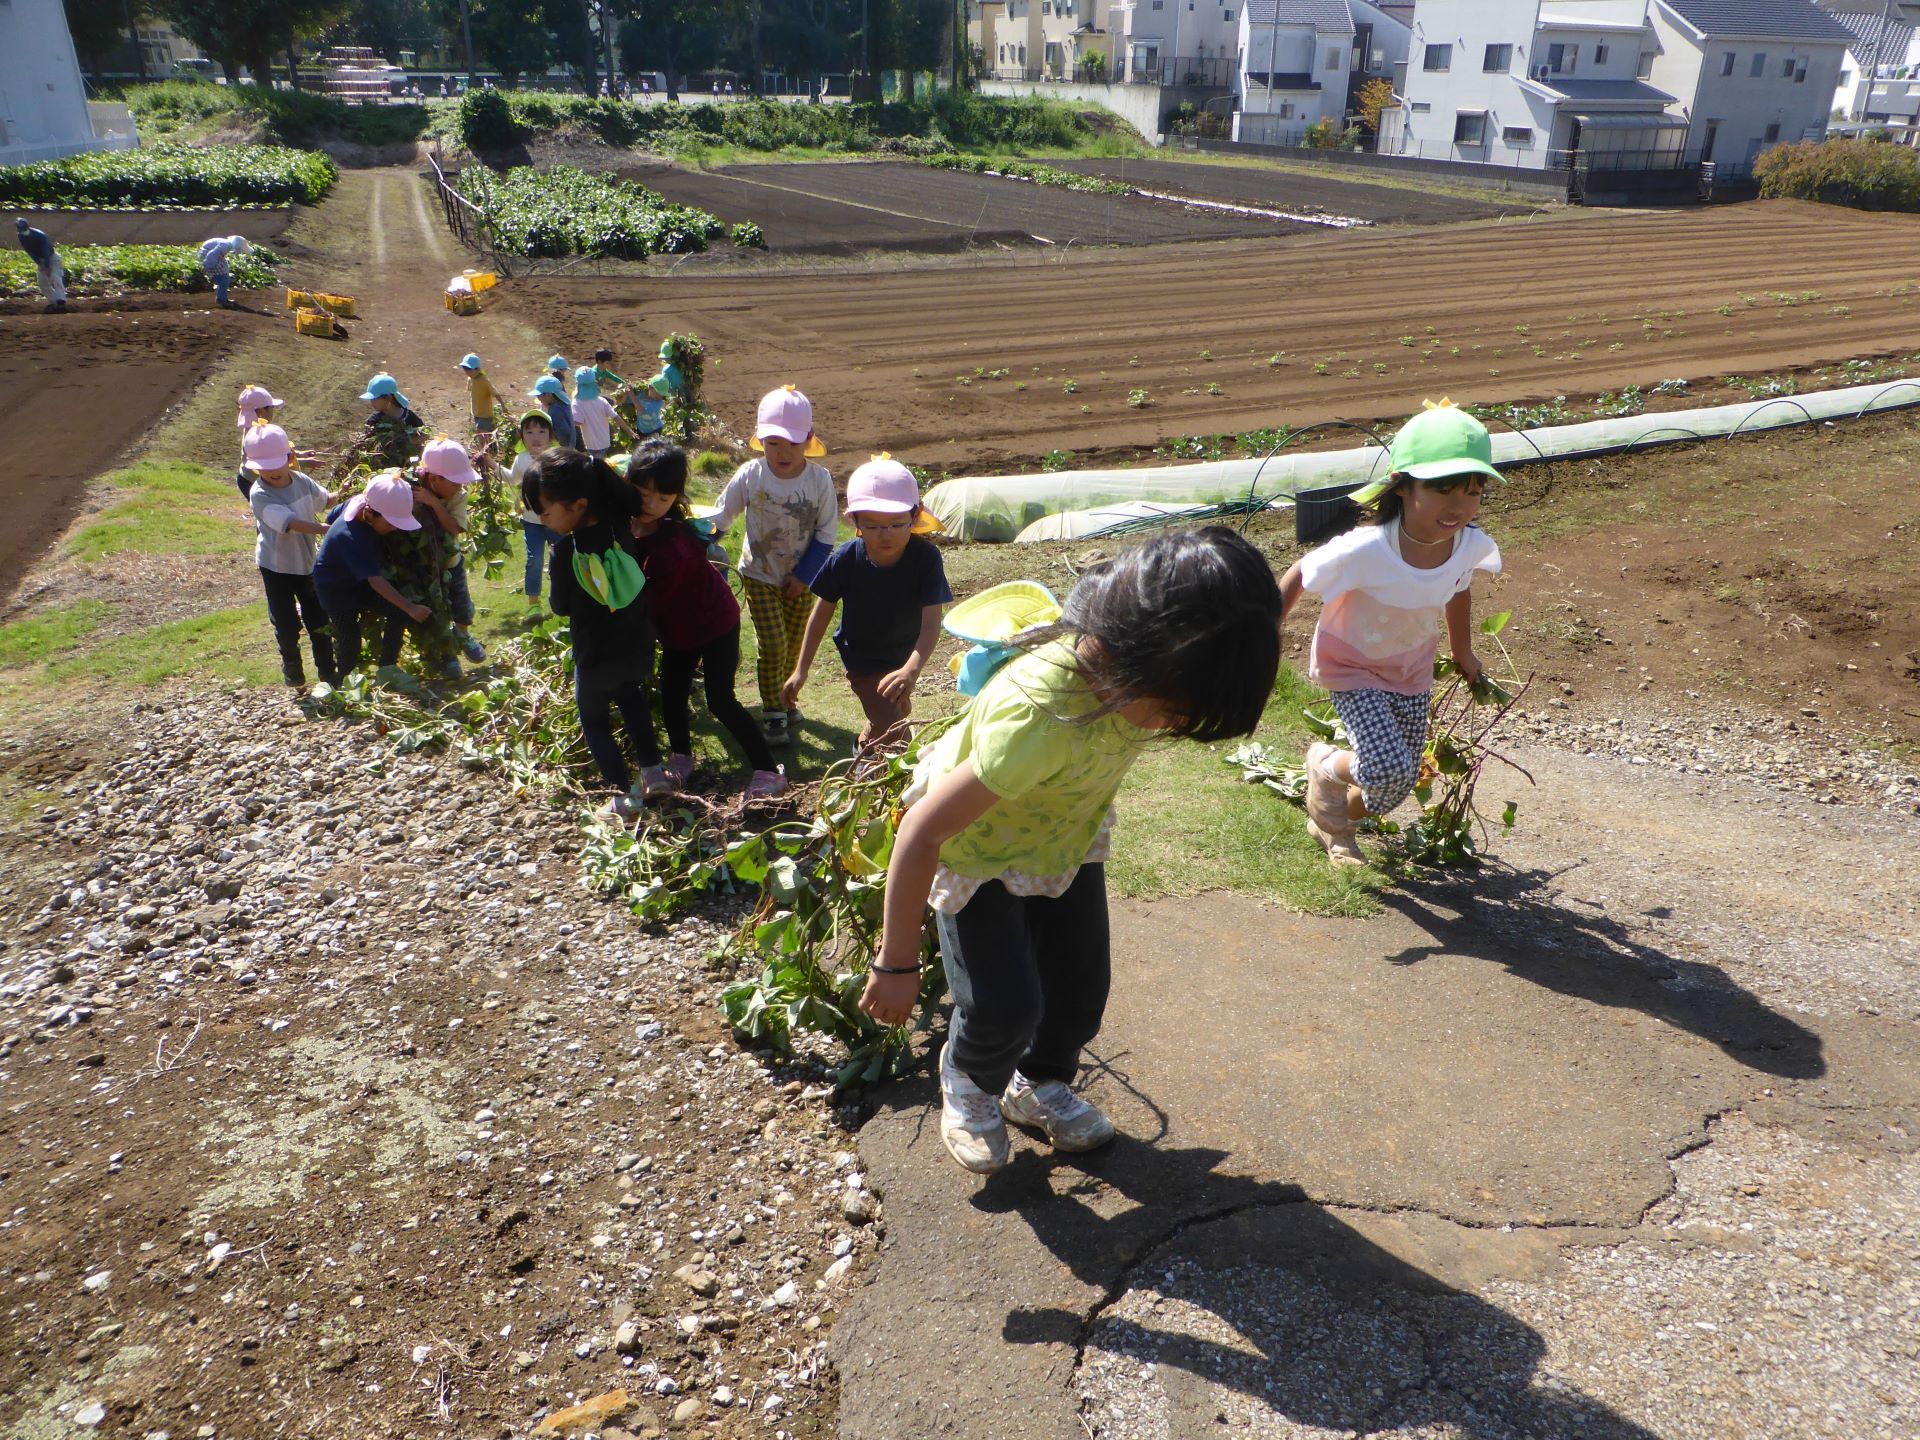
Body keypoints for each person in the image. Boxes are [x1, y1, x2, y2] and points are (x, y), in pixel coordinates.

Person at [860, 528, 1284, 1176]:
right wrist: (894, 965)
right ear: (1127, 658)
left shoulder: (1150, 670)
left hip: (1066, 840)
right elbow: (921, 831)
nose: (1174, 723)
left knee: (1081, 990)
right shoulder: (1040, 718)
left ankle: (1037, 1083)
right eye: (1174, 709)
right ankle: (970, 1078)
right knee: (1004, 1005)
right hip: (981, 854)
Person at [1278, 400, 1504, 867]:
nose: (1458, 507)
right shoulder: (1366, 548)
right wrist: (1269, 628)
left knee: (1400, 781)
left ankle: (1334, 822)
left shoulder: (1469, 546)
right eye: (1442, 491)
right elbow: (1302, 571)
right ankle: (1324, 767)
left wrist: (1464, 651)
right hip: (1353, 664)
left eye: (1473, 492)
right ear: (1401, 487)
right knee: (1384, 766)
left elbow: (1458, 591)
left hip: (1411, 668)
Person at [626, 441, 786, 799]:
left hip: (714, 624)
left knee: (720, 700)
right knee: (672, 694)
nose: (651, 504)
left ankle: (767, 770)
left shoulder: (674, 545)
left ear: (675, 498)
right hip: (677, 631)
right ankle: (681, 757)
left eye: (663, 498)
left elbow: (648, 599)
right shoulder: (628, 528)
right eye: (643, 493)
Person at [520, 449, 667, 814]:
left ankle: (622, 794)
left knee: (594, 718)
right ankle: (654, 772)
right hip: (637, 643)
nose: (542, 518)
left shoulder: (565, 550)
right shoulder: (622, 525)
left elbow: (560, 606)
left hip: (594, 654)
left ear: (579, 504)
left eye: (545, 510)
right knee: (632, 697)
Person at [783, 455, 951, 750]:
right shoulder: (846, 559)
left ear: (916, 515)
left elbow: (931, 623)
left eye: (897, 524)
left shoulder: (926, 558)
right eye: (873, 526)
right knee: (897, 731)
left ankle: (863, 747)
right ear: (855, 520)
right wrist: (801, 670)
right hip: (863, 658)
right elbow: (821, 613)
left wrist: (911, 669)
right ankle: (886, 778)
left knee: (894, 712)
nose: (885, 535)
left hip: (903, 655)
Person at [712, 385, 837, 746]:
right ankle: (772, 713)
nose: (783, 452)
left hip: (801, 579)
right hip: (759, 574)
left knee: (795, 646)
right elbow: (722, 516)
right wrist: (699, 540)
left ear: (809, 439)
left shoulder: (819, 480)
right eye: (773, 443)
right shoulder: (751, 475)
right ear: (760, 440)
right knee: (773, 643)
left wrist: (804, 576)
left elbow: (827, 533)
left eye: (793, 444)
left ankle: (784, 698)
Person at [243, 423, 338, 687]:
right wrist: (325, 529)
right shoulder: (259, 494)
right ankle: (293, 670)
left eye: (277, 463)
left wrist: (349, 493)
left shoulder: (302, 481)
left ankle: (328, 672)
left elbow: (326, 500)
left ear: (289, 458)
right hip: (276, 567)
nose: (271, 471)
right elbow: (292, 523)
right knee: (286, 622)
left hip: (307, 563)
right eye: (264, 466)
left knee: (319, 619)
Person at [312, 474, 434, 676]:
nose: (395, 528)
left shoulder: (358, 502)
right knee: (350, 638)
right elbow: (376, 581)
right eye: (391, 522)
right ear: (370, 514)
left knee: (397, 611)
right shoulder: (350, 537)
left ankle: (387, 670)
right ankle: (343, 685)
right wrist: (411, 607)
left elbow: (331, 516)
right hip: (334, 589)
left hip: (358, 582)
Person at [408, 437, 489, 671]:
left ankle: (462, 635)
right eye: (455, 482)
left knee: (462, 608)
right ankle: (447, 655)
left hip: (451, 562)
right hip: (424, 569)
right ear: (434, 478)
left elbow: (455, 528)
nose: (460, 486)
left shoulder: (458, 495)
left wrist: (434, 503)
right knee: (436, 611)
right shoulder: (411, 491)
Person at [502, 410, 556, 610]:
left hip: (556, 521)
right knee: (534, 560)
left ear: (550, 435)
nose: (536, 437)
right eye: (529, 432)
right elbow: (512, 478)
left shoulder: (555, 458)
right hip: (532, 521)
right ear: (522, 437)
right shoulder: (521, 459)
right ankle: (534, 604)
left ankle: (558, 597)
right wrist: (490, 463)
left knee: (559, 560)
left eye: (541, 431)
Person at [361, 373, 426, 469]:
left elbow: (423, 436)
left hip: (407, 468)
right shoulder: (373, 421)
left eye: (374, 398)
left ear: (388, 398)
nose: (371, 402)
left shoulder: (411, 419)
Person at [233, 384, 285, 498]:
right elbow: (272, 460)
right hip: (253, 480)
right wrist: (303, 462)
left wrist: (299, 454)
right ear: (261, 412)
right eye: (272, 408)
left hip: (248, 478)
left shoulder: (253, 429)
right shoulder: (258, 435)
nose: (273, 411)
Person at [570, 371, 631, 461]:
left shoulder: (576, 403)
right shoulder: (601, 400)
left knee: (597, 464)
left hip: (591, 443)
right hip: (605, 441)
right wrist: (629, 430)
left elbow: (578, 422)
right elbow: (615, 416)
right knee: (601, 461)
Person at [631, 339, 685, 439]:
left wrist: (631, 394)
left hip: (673, 396)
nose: (664, 360)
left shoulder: (666, 370)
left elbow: (641, 410)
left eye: (666, 357)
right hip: (679, 395)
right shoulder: (683, 367)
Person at [14, 218, 66, 311]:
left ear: (28, 227)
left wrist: (47, 266)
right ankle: (54, 302)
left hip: (51, 258)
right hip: (40, 260)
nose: (22, 231)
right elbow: (29, 250)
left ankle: (61, 301)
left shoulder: (40, 235)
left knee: (55, 277)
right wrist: (39, 263)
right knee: (42, 282)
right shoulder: (21, 236)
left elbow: (45, 250)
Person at [458, 353, 500, 445]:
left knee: (482, 435)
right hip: (476, 414)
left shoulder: (483, 380)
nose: (466, 371)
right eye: (465, 369)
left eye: (468, 369)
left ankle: (485, 454)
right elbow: (473, 395)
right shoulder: (471, 379)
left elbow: (495, 393)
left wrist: (504, 406)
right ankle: (488, 452)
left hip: (485, 414)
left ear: (477, 369)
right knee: (485, 436)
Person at [197, 233, 249, 308]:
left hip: (207, 254)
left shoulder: (226, 243)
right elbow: (212, 255)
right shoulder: (225, 245)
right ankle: (221, 299)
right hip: (207, 256)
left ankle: (222, 297)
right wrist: (206, 267)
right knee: (223, 278)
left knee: (224, 275)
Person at [529, 374, 579, 450]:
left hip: (562, 451)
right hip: (570, 447)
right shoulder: (564, 403)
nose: (538, 398)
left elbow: (563, 433)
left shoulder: (555, 411)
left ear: (548, 395)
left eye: (539, 395)